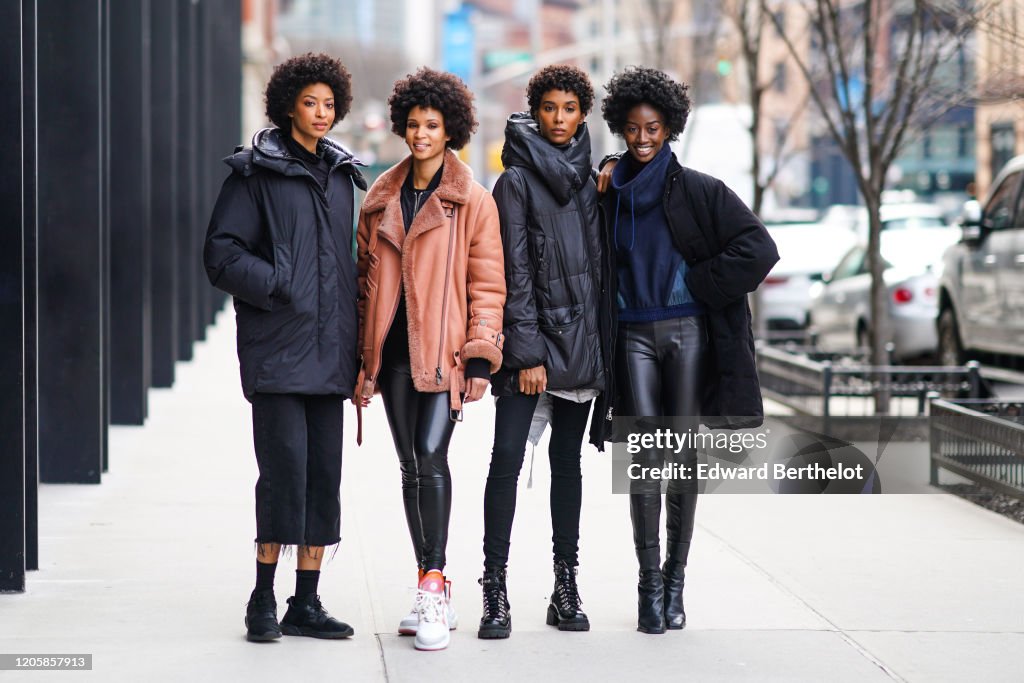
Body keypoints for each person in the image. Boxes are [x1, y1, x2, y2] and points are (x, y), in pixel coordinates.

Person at [595, 66, 778, 634]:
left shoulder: (700, 189)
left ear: (669, 126)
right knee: (645, 458)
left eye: (652, 127)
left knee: (681, 458)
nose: (643, 138)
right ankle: (648, 588)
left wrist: (699, 284)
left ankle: (675, 584)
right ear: (620, 129)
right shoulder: (608, 190)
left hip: (687, 335)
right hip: (632, 336)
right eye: (632, 128)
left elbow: (759, 248)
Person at [204, 53, 367, 642]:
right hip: (277, 352)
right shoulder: (253, 175)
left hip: (332, 355)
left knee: (323, 477)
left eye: (329, 104)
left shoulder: (346, 177)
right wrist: (280, 284)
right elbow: (221, 255)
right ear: (287, 105)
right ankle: (262, 598)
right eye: (310, 103)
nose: (321, 114)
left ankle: (306, 601)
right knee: (282, 475)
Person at [354, 67, 505, 652]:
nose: (421, 134)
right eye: (414, 124)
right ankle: (426, 585)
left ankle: (436, 584)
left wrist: (480, 356)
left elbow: (487, 284)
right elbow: (364, 284)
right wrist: (363, 364)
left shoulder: (473, 201)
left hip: (443, 357)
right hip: (392, 357)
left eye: (432, 125)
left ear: (452, 131)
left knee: (429, 456)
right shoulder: (380, 197)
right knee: (410, 470)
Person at [478, 64, 607, 640]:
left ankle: (565, 585)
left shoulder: (591, 179)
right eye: (549, 108)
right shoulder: (515, 181)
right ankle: (495, 590)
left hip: (580, 349)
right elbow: (513, 273)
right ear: (535, 111)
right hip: (531, 353)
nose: (559, 119)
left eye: (570, 108)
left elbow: (599, 273)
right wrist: (526, 353)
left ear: (584, 113)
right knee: (506, 462)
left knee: (567, 466)